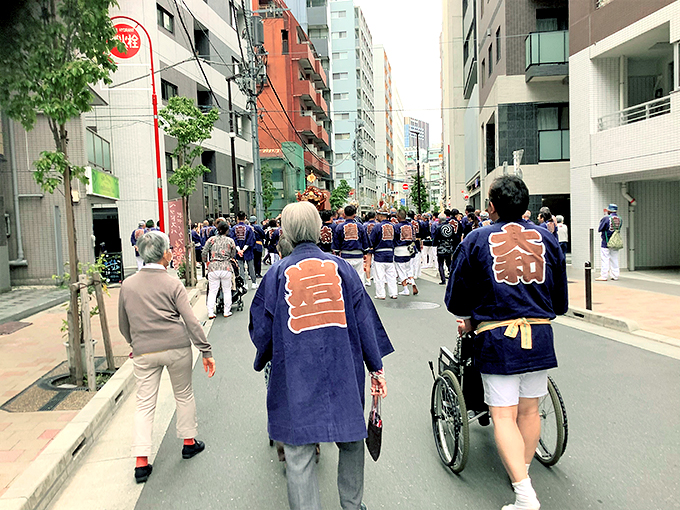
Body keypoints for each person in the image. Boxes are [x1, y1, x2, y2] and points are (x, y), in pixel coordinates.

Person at [249, 201, 394, 510]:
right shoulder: (341, 269)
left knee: (299, 450)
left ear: (285, 232)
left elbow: (261, 327)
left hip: (295, 370)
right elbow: (365, 319)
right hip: (342, 366)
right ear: (319, 230)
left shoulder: (276, 274)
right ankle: (352, 505)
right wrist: (376, 368)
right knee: (352, 440)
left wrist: (265, 355)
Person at [446, 175, 568, 510]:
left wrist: (471, 315)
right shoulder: (547, 238)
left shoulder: (476, 239)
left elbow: (457, 300)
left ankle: (525, 494)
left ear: (492, 206)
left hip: (498, 337)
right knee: (529, 410)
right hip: (541, 336)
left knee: (502, 415)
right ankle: (521, 475)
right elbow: (560, 303)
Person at [118, 230, 216, 484]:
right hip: (176, 346)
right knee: (183, 394)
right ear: (164, 254)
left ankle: (141, 461)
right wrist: (205, 350)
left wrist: (133, 343)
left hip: (143, 351)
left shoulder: (128, 285)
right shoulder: (173, 283)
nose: (171, 252)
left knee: (144, 403)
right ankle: (188, 442)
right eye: (169, 248)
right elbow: (191, 321)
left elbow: (123, 323)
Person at [202, 221, 237, 319]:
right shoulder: (230, 241)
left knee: (213, 291)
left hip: (213, 267)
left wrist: (205, 262)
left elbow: (204, 251)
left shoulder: (211, 240)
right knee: (227, 290)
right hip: (226, 267)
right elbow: (233, 253)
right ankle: (226, 311)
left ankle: (210, 312)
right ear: (227, 230)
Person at [332, 205, 369, 284]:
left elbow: (336, 246)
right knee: (360, 277)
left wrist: (337, 252)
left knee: (347, 278)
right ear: (354, 215)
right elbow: (365, 242)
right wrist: (365, 252)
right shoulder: (360, 226)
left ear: (344, 214)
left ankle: (349, 295)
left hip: (345, 256)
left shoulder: (339, 227)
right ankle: (360, 295)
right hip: (358, 255)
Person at [370, 208, 398, 300]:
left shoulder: (377, 227)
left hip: (379, 253)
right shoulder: (393, 226)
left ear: (381, 216)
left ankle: (381, 294)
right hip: (390, 252)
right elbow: (396, 239)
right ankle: (393, 293)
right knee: (391, 275)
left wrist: (371, 249)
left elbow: (372, 240)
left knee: (379, 275)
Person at [230, 211, 258, 290]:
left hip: (238, 251)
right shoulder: (249, 228)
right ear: (245, 218)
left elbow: (233, 239)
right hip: (248, 250)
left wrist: (239, 250)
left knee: (241, 267)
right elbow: (251, 240)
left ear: (237, 218)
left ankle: (244, 284)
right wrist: (244, 249)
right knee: (251, 267)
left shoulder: (234, 228)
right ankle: (253, 283)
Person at [393, 209, 418, 296]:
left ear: (398, 217)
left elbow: (394, 238)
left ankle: (405, 289)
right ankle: (412, 281)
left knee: (401, 270)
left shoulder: (396, 226)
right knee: (408, 268)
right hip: (409, 248)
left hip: (399, 249)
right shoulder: (410, 225)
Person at [432, 211, 460, 285]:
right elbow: (454, 237)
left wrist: (434, 244)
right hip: (449, 247)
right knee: (449, 263)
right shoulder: (450, 227)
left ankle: (443, 279)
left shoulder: (439, 228)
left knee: (440, 264)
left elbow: (435, 238)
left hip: (441, 247)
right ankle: (452, 278)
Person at [597, 204, 622, 281]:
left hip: (606, 242)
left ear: (609, 210)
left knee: (605, 259)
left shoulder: (606, 218)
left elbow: (600, 228)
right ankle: (615, 275)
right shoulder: (620, 219)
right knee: (614, 258)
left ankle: (604, 275)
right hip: (615, 241)